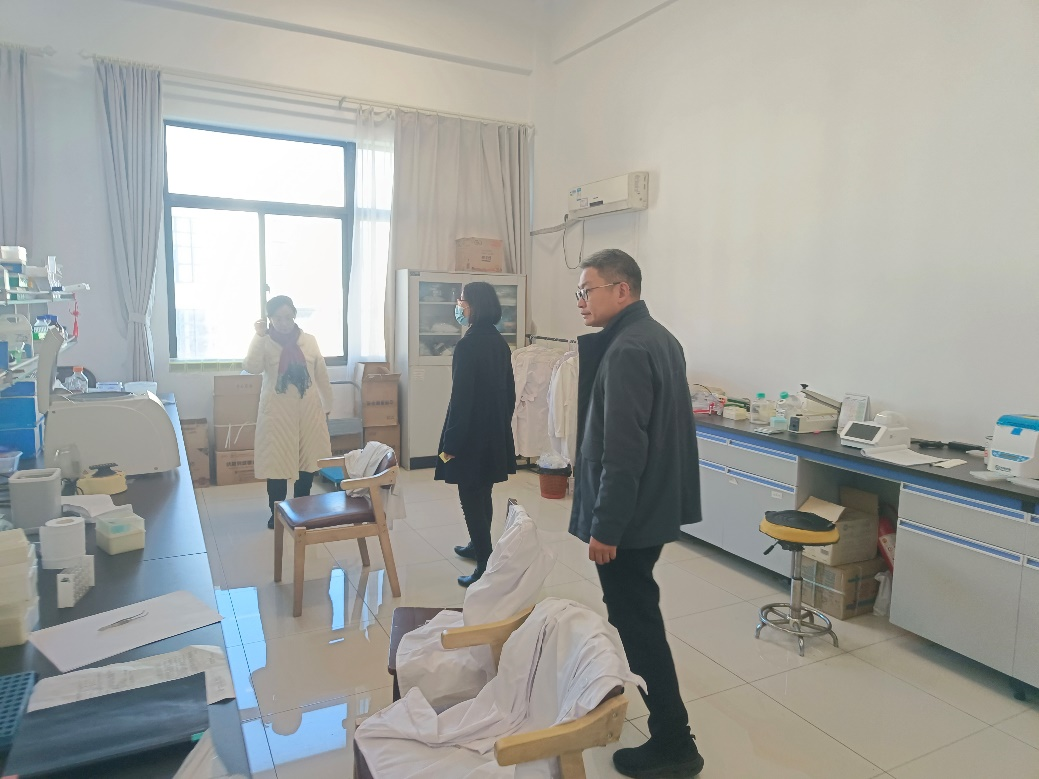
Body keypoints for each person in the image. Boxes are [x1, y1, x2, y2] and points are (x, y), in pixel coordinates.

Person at [569, 249, 704, 778]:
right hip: (650, 509)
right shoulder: (660, 338)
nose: (581, 301)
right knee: (638, 613)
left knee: (637, 621)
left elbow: (623, 453)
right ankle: (671, 731)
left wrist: (605, 527)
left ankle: (675, 743)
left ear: (621, 289)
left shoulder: (627, 349)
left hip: (629, 519)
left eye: (588, 290)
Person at [435, 281, 517, 587]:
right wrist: (501, 424)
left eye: (461, 301)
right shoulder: (499, 342)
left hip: (469, 434)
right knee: (484, 491)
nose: (459, 306)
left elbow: (461, 399)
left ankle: (484, 561)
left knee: (470, 495)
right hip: (493, 430)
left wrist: (451, 443)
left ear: (473, 306)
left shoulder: (468, 345)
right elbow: (510, 392)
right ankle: (477, 544)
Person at [244, 295, 333, 530]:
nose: (283, 323)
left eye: (287, 317)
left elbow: (321, 375)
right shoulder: (265, 341)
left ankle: (301, 510)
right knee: (277, 466)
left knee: (307, 464)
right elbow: (251, 367)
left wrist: (328, 405)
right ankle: (276, 513)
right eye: (277, 318)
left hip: (308, 412)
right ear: (270, 319)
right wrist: (258, 336)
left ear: (294, 315)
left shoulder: (309, 341)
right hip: (277, 414)